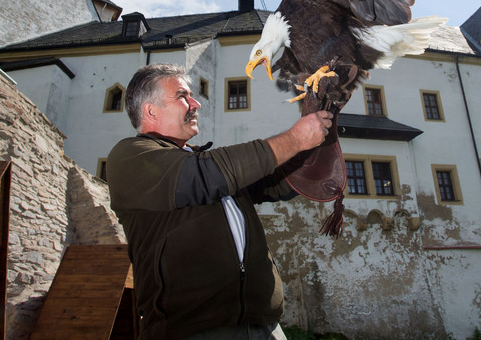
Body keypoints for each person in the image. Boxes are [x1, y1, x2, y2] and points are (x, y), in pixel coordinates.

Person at [106, 63, 332, 340]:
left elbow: (279, 183)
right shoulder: (129, 157)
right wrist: (294, 139)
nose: (196, 103)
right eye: (181, 96)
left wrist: (322, 122)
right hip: (192, 331)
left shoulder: (205, 163)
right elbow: (203, 176)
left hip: (265, 327)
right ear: (150, 110)